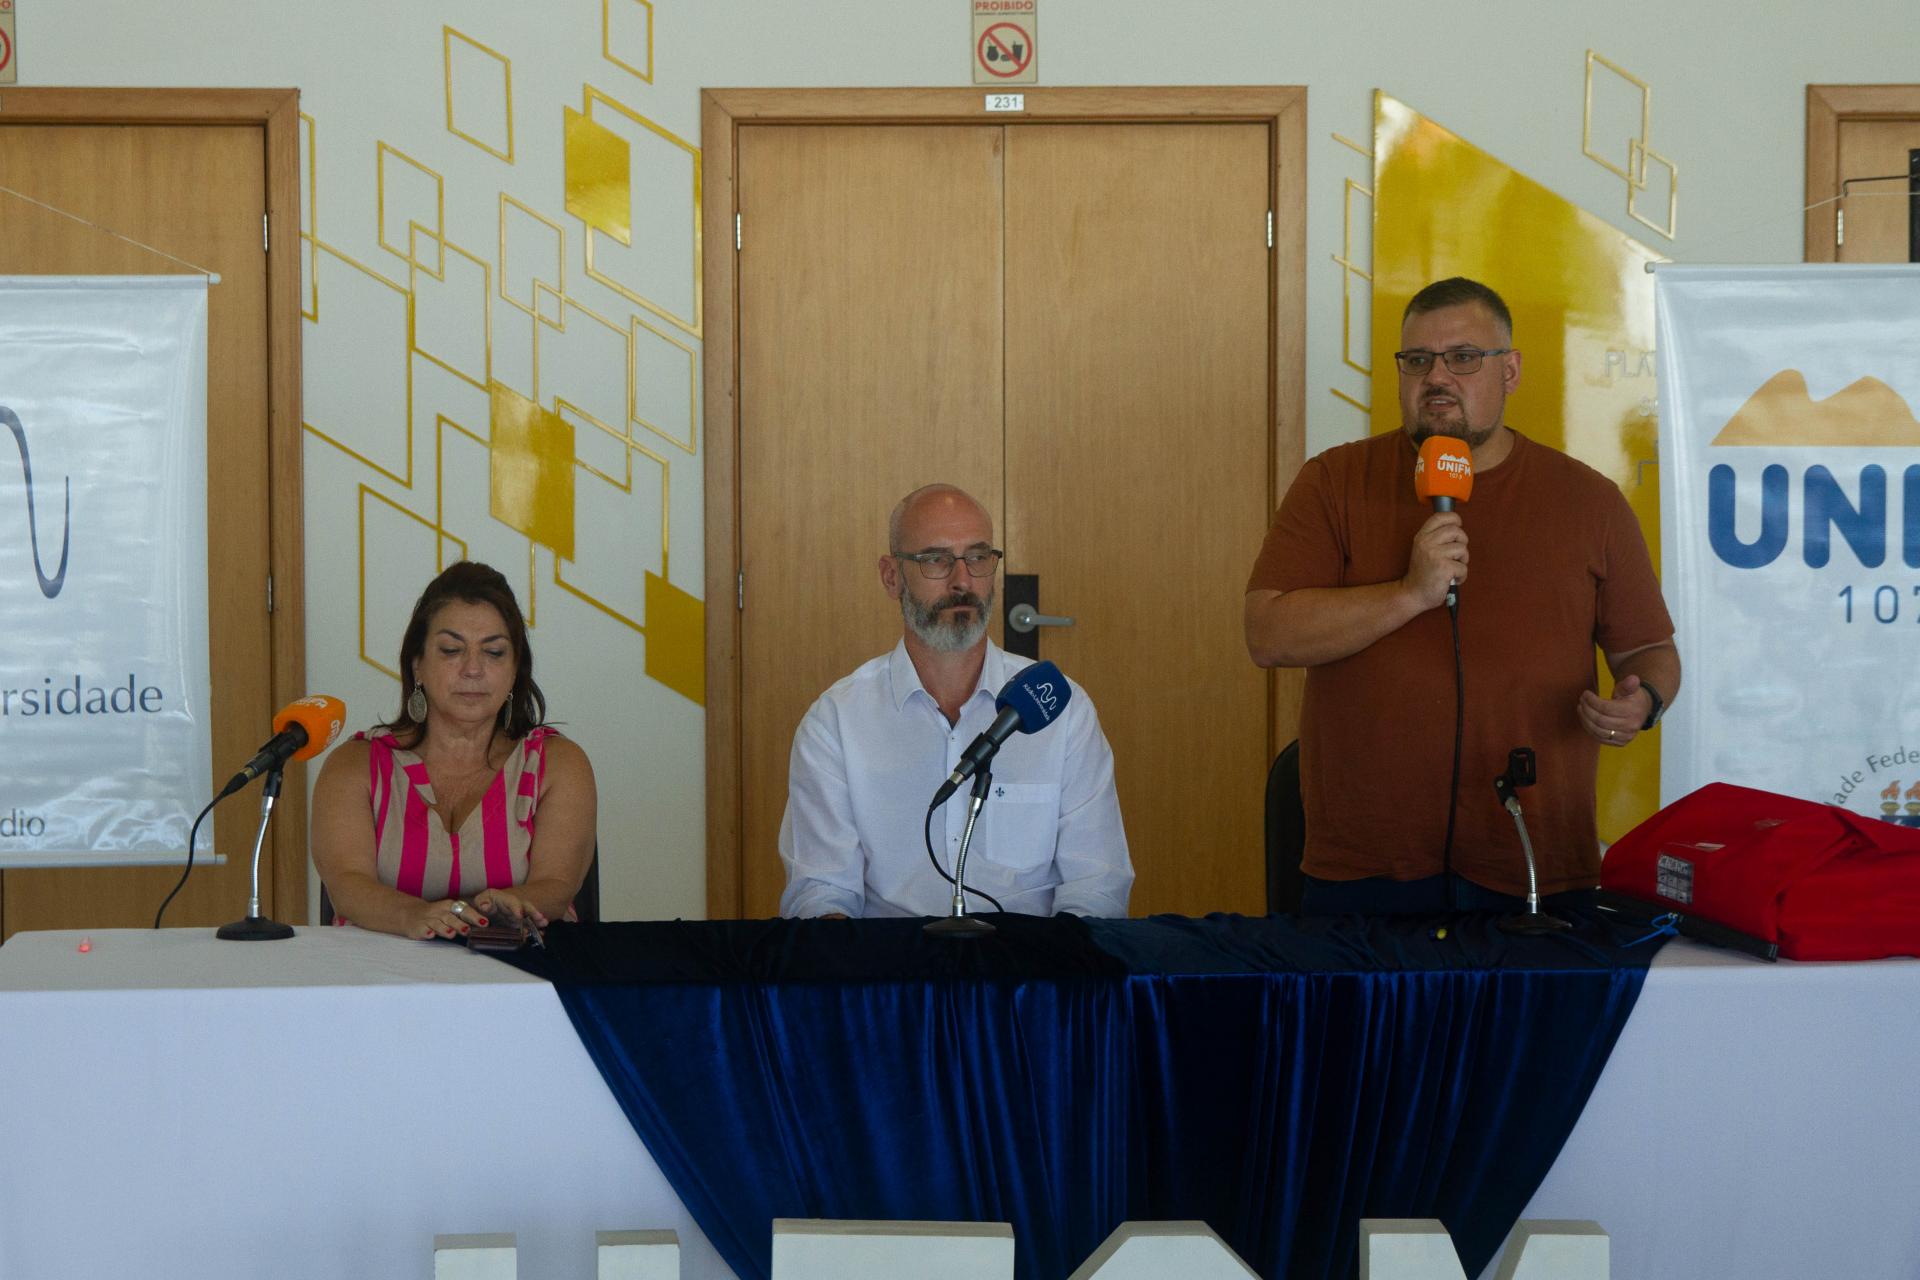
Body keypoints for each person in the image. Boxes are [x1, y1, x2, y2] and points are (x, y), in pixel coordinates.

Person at [1244, 278, 1681, 914]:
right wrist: (1408, 594)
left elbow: (1648, 649)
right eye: (1418, 360)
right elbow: (1268, 634)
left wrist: (1643, 702)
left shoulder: (1589, 501)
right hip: (1368, 870)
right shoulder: (1334, 481)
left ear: (1510, 371)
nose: (1437, 377)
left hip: (1533, 862)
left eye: (1464, 358)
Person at [779, 483, 1133, 919]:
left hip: (1028, 957)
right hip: (892, 959)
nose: (962, 581)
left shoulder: (1062, 710)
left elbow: (1096, 885)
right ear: (892, 576)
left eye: (978, 558)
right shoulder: (837, 721)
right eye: (936, 560)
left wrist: (1055, 961)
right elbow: (821, 891)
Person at [312, 561, 598, 939]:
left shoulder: (558, 764)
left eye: (494, 652)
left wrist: (507, 907)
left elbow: (557, 887)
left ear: (515, 670)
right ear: (417, 665)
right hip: (379, 971)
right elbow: (347, 887)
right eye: (451, 650)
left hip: (519, 969)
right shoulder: (356, 765)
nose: (473, 669)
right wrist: (415, 916)